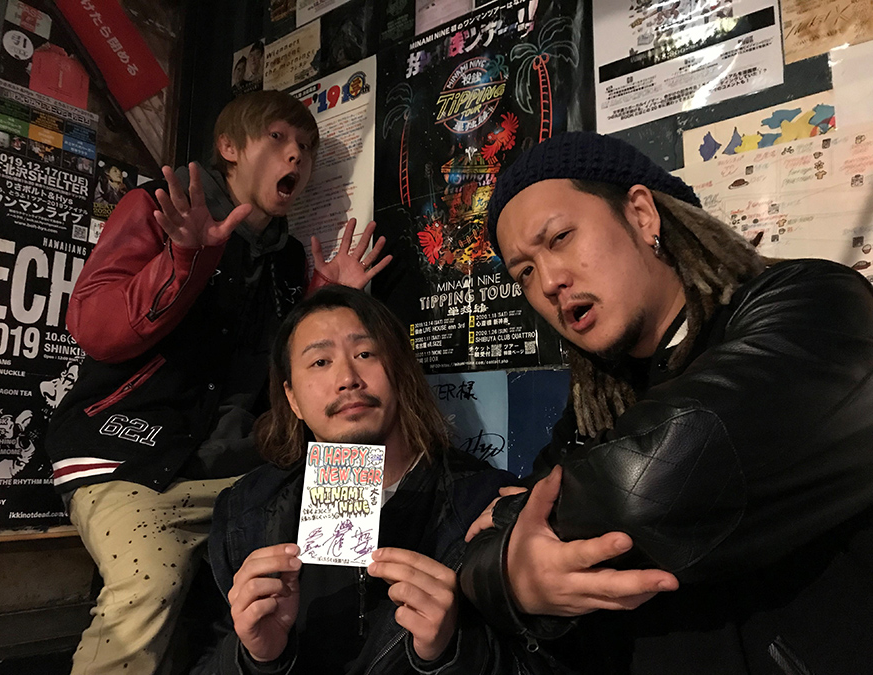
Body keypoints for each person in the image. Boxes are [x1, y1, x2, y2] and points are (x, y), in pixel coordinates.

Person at [460, 131, 873, 673]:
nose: (551, 281)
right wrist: (513, 579)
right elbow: (475, 559)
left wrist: (514, 521)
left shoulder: (815, 302)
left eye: (560, 237)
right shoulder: (593, 407)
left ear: (641, 215)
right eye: (525, 272)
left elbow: (648, 485)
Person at [46, 90, 390, 675]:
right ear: (229, 147)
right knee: (149, 583)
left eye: (306, 146)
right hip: (129, 459)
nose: (297, 155)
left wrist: (326, 302)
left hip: (240, 467)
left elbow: (283, 370)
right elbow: (95, 328)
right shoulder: (162, 207)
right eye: (277, 137)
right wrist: (182, 258)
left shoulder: (286, 258)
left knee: (346, 524)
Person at [196, 286, 564, 674]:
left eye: (365, 354)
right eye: (320, 362)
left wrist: (453, 652)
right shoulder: (246, 511)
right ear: (292, 399)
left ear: (400, 370)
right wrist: (252, 659)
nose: (347, 378)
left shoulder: (485, 505)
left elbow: (544, 662)